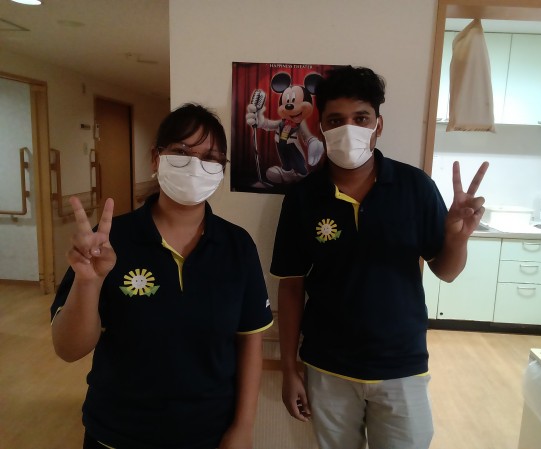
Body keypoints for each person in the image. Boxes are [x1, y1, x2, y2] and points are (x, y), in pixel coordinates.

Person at [270, 66, 489, 449]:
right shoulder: (303, 198)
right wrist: (289, 369)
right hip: (327, 366)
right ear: (321, 127)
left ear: (378, 125)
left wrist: (458, 239)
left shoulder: (415, 187)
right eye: (336, 120)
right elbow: (290, 286)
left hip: (401, 365)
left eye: (361, 118)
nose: (349, 129)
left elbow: (446, 271)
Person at [51, 103, 273, 449]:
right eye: (182, 152)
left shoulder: (237, 246)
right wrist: (88, 281)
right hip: (119, 434)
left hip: (209, 435)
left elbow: (249, 342)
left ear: (221, 170)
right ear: (156, 158)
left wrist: (243, 427)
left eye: (210, 158)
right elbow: (68, 349)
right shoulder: (109, 242)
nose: (196, 166)